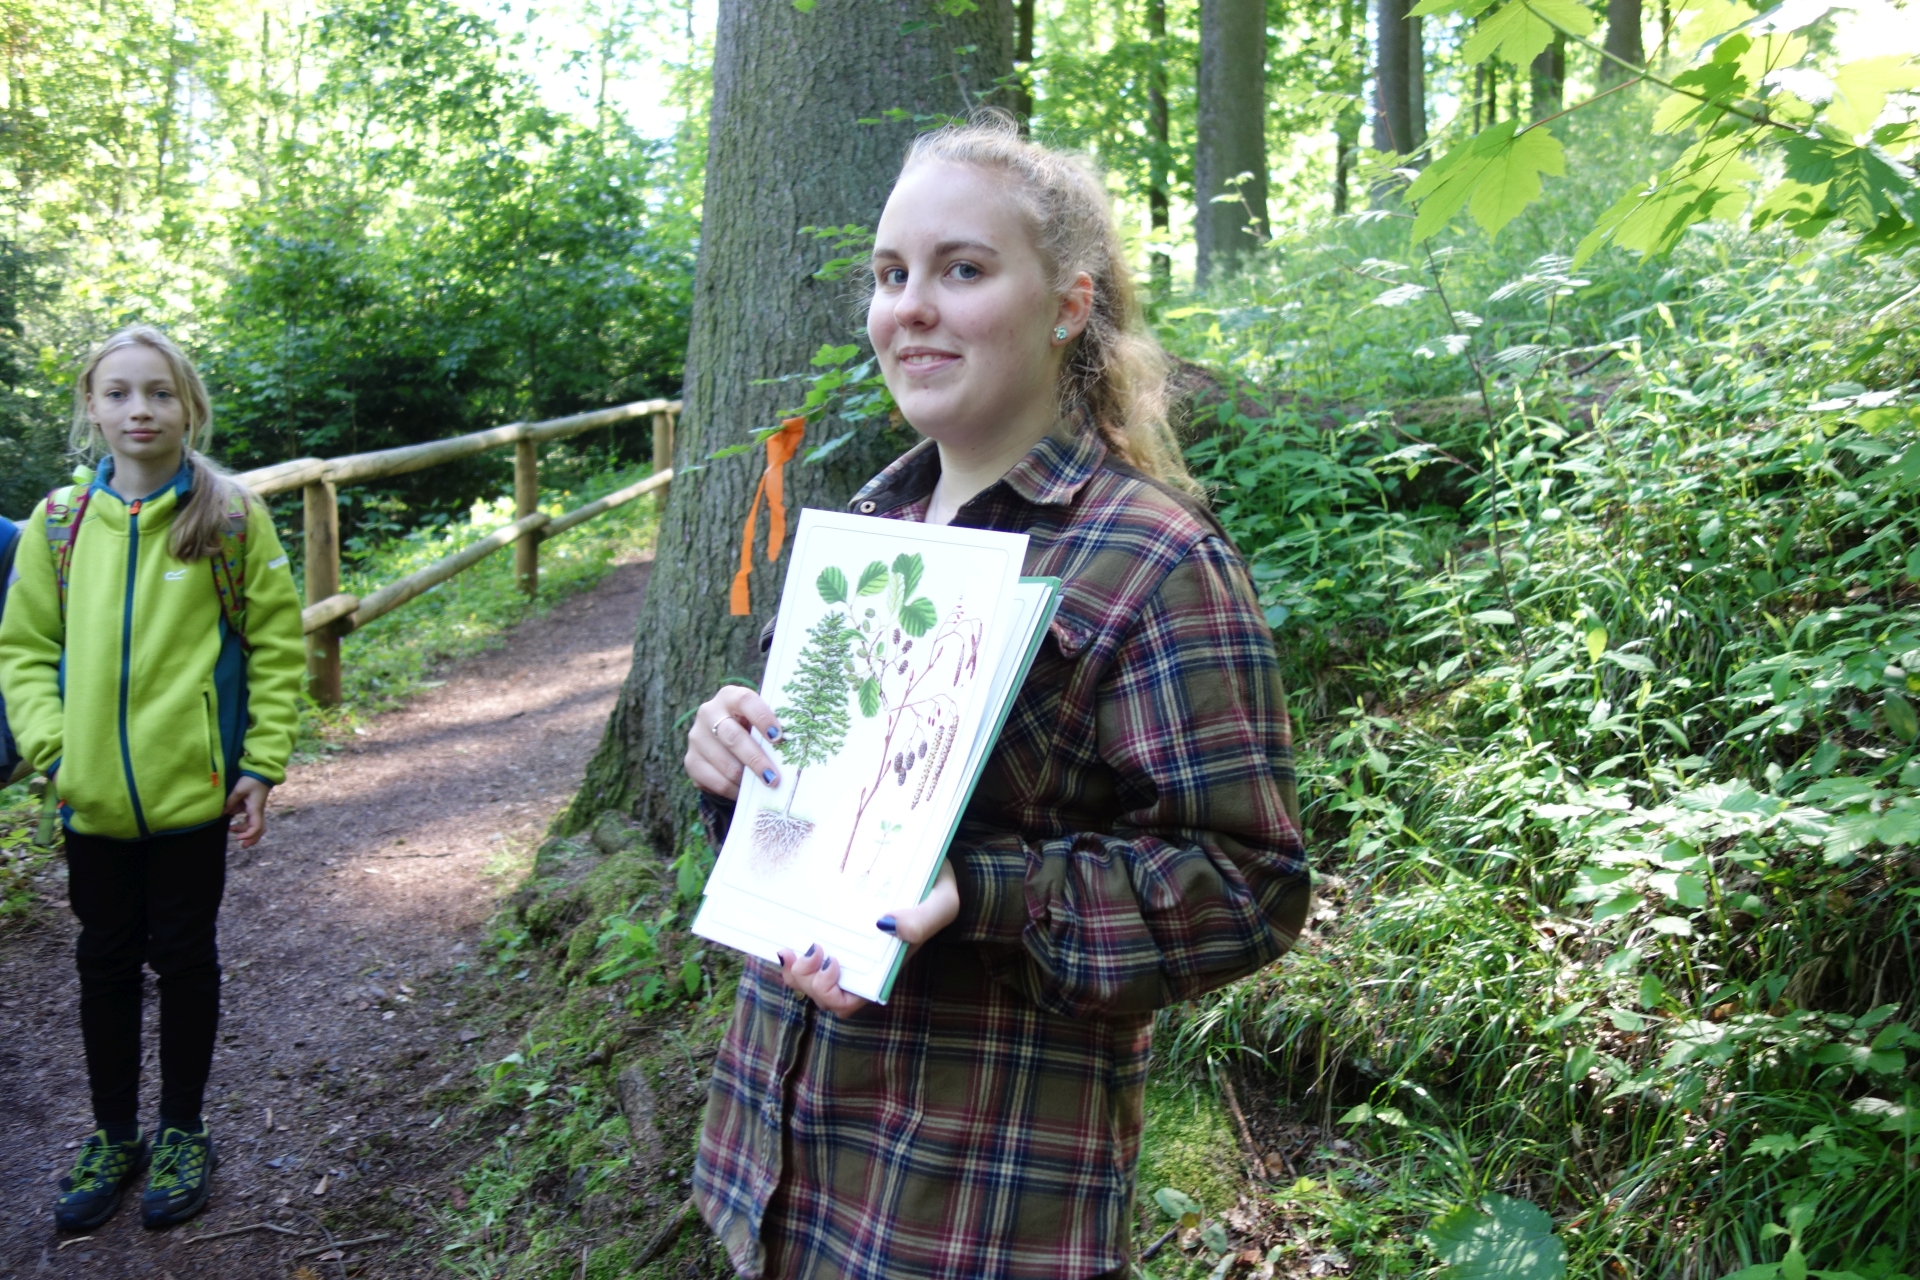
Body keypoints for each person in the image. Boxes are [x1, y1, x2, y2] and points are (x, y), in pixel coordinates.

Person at [681, 112, 1312, 1279]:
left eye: (961, 270)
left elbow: (1247, 885)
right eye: (891, 275)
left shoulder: (1153, 560)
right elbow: (815, 814)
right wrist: (736, 766)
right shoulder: (866, 531)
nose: (910, 306)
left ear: (1068, 305)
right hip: (781, 1160)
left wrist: (979, 890)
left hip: (975, 1201)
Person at [0, 325, 305, 1231]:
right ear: (92, 410)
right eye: (120, 393)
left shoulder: (230, 518)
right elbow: (25, 650)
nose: (141, 409)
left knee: (184, 957)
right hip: (89, 800)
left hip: (193, 798)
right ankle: (113, 1133)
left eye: (160, 392)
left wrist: (261, 763)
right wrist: (56, 753)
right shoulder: (59, 524)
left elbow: (276, 646)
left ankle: (181, 1130)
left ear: (190, 408)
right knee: (102, 962)